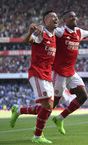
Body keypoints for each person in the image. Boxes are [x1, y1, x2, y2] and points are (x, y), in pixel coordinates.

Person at [49, 11, 88, 135]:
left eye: (75, 16)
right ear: (64, 20)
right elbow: (49, 30)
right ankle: (22, 112)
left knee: (83, 96)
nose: (74, 18)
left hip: (71, 72)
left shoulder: (79, 32)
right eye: (70, 16)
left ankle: (59, 119)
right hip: (59, 72)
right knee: (52, 104)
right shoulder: (61, 32)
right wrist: (41, 27)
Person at [10, 10, 58, 144]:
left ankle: (18, 110)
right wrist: (31, 31)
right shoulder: (41, 34)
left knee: (48, 109)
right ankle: (37, 136)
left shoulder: (54, 36)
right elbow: (26, 40)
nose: (56, 19)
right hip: (37, 73)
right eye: (52, 17)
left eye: (56, 17)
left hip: (47, 75)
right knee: (47, 105)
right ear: (45, 21)